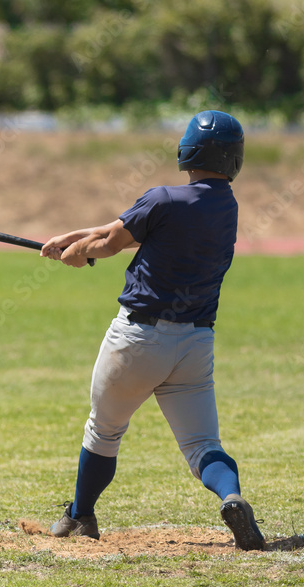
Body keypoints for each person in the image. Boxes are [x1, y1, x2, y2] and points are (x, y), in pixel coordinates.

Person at [39, 110, 265, 551]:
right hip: (195, 343)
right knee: (203, 444)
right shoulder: (225, 207)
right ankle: (231, 496)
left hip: (138, 341)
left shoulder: (162, 197)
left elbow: (110, 243)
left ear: (187, 150)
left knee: (103, 432)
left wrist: (78, 254)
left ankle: (80, 515)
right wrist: (74, 237)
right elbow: (133, 231)